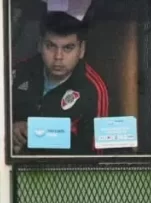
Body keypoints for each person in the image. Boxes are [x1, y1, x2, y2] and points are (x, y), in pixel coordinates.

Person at [12, 11, 109, 155]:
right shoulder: (19, 72)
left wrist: (42, 138)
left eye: (68, 48)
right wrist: (9, 127)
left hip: (64, 173)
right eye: (50, 46)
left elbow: (97, 152)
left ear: (81, 50)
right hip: (12, 167)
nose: (58, 57)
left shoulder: (93, 88)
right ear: (39, 45)